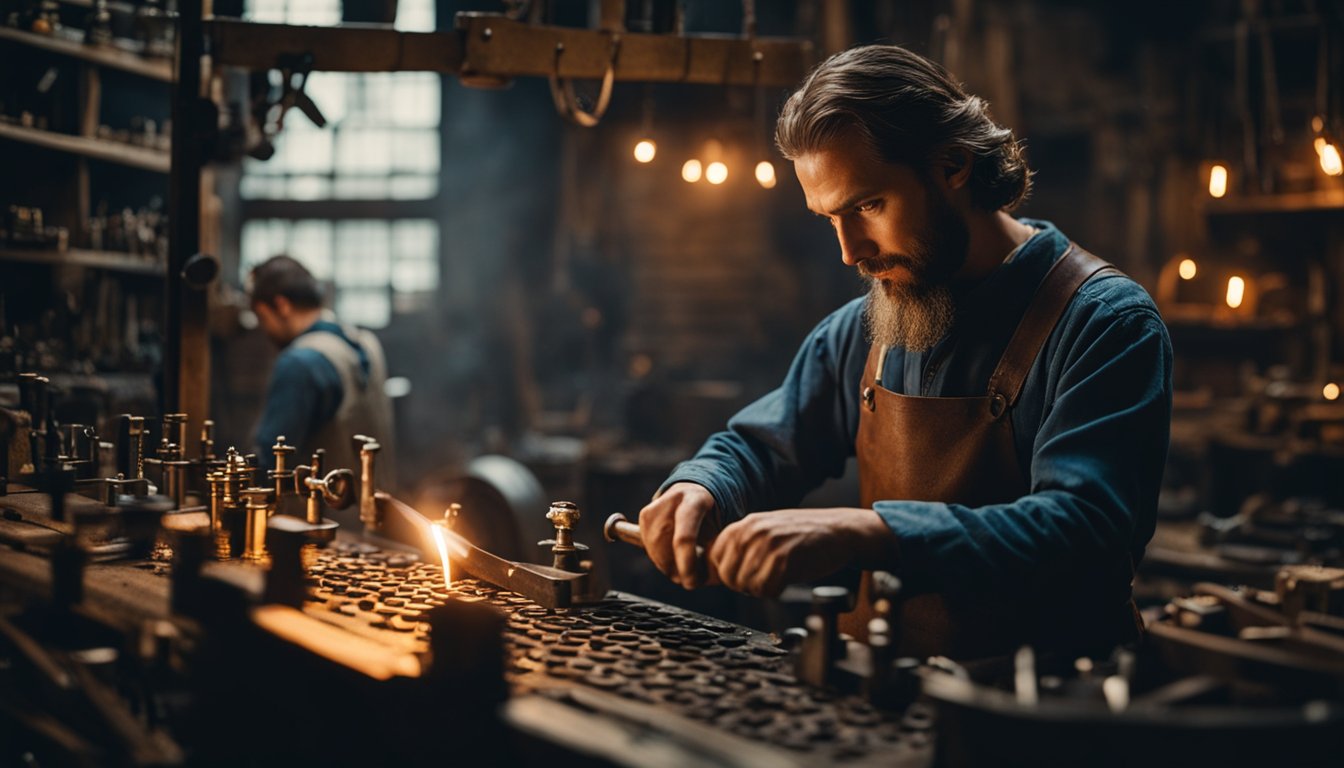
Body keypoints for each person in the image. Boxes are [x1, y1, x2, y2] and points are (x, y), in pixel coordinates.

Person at [638, 45, 1172, 659]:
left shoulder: (1104, 324)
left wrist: (872, 532)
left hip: (1051, 712)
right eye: (829, 218)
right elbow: (762, 445)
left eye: (867, 206)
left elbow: (1081, 529)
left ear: (953, 166)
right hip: (889, 697)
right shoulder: (866, 328)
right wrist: (702, 486)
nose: (849, 252)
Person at [248, 255, 395, 483]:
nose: (264, 329)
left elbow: (270, 464)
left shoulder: (299, 363)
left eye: (262, 317)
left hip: (323, 516)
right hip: (377, 510)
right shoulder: (366, 342)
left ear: (281, 305)